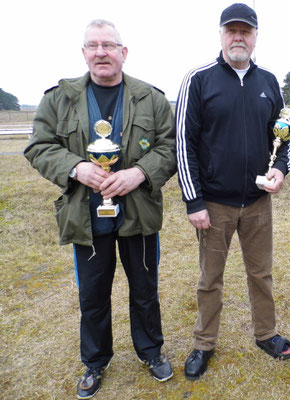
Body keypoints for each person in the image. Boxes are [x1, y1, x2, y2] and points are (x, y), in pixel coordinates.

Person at [24, 19, 176, 399]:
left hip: (138, 214)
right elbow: (39, 146)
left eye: (109, 45)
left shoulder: (150, 97)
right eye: (93, 45)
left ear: (124, 53)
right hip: (85, 216)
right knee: (92, 294)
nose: (101, 52)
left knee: (145, 289)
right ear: (84, 53)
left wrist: (139, 173)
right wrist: (77, 168)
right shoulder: (60, 98)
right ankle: (95, 361)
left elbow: (170, 147)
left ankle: (151, 352)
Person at [175, 3, 290, 381]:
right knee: (210, 278)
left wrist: (279, 169)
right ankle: (204, 343)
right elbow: (184, 143)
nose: (238, 37)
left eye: (246, 31)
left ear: (256, 37)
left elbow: (282, 139)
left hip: (258, 202)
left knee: (261, 274)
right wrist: (194, 201)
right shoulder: (200, 78)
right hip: (214, 203)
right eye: (232, 31)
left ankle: (266, 334)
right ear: (221, 35)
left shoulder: (269, 82)